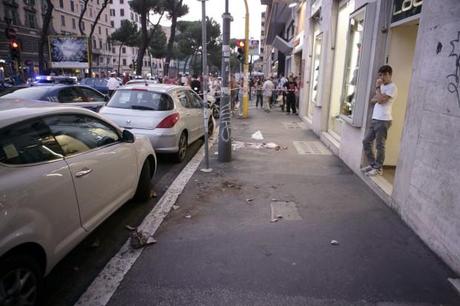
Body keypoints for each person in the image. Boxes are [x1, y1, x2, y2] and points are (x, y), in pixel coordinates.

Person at [361, 65, 398, 176]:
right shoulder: (382, 87)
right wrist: (379, 96)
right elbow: (372, 100)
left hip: (384, 120)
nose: (381, 78)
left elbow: (380, 101)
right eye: (380, 75)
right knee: (366, 141)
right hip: (375, 118)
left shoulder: (392, 87)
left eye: (383, 75)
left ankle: (378, 168)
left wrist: (378, 90)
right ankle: (373, 164)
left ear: (389, 74)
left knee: (379, 145)